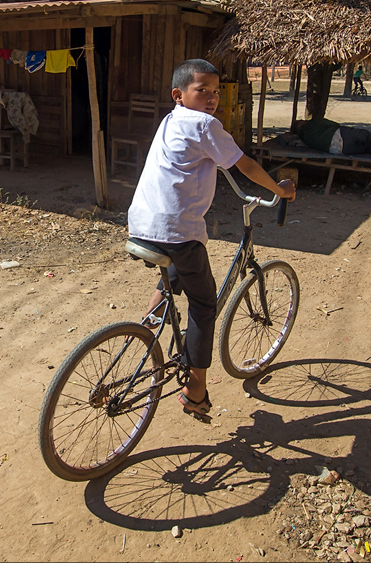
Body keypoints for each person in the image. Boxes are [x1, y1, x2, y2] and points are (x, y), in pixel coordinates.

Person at [127, 59, 296, 420]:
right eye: (202, 90)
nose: (212, 98)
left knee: (178, 267)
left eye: (216, 91)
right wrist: (278, 191)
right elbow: (244, 165)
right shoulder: (205, 124)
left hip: (142, 223)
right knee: (204, 305)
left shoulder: (171, 120)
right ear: (179, 94)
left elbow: (199, 158)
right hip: (176, 230)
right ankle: (195, 390)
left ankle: (149, 325)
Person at [290, 116, 371, 157]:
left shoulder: (304, 139)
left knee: (368, 149)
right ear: (300, 124)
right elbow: (334, 124)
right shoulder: (313, 123)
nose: (303, 120)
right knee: (366, 136)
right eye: (301, 120)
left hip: (338, 150)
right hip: (341, 135)